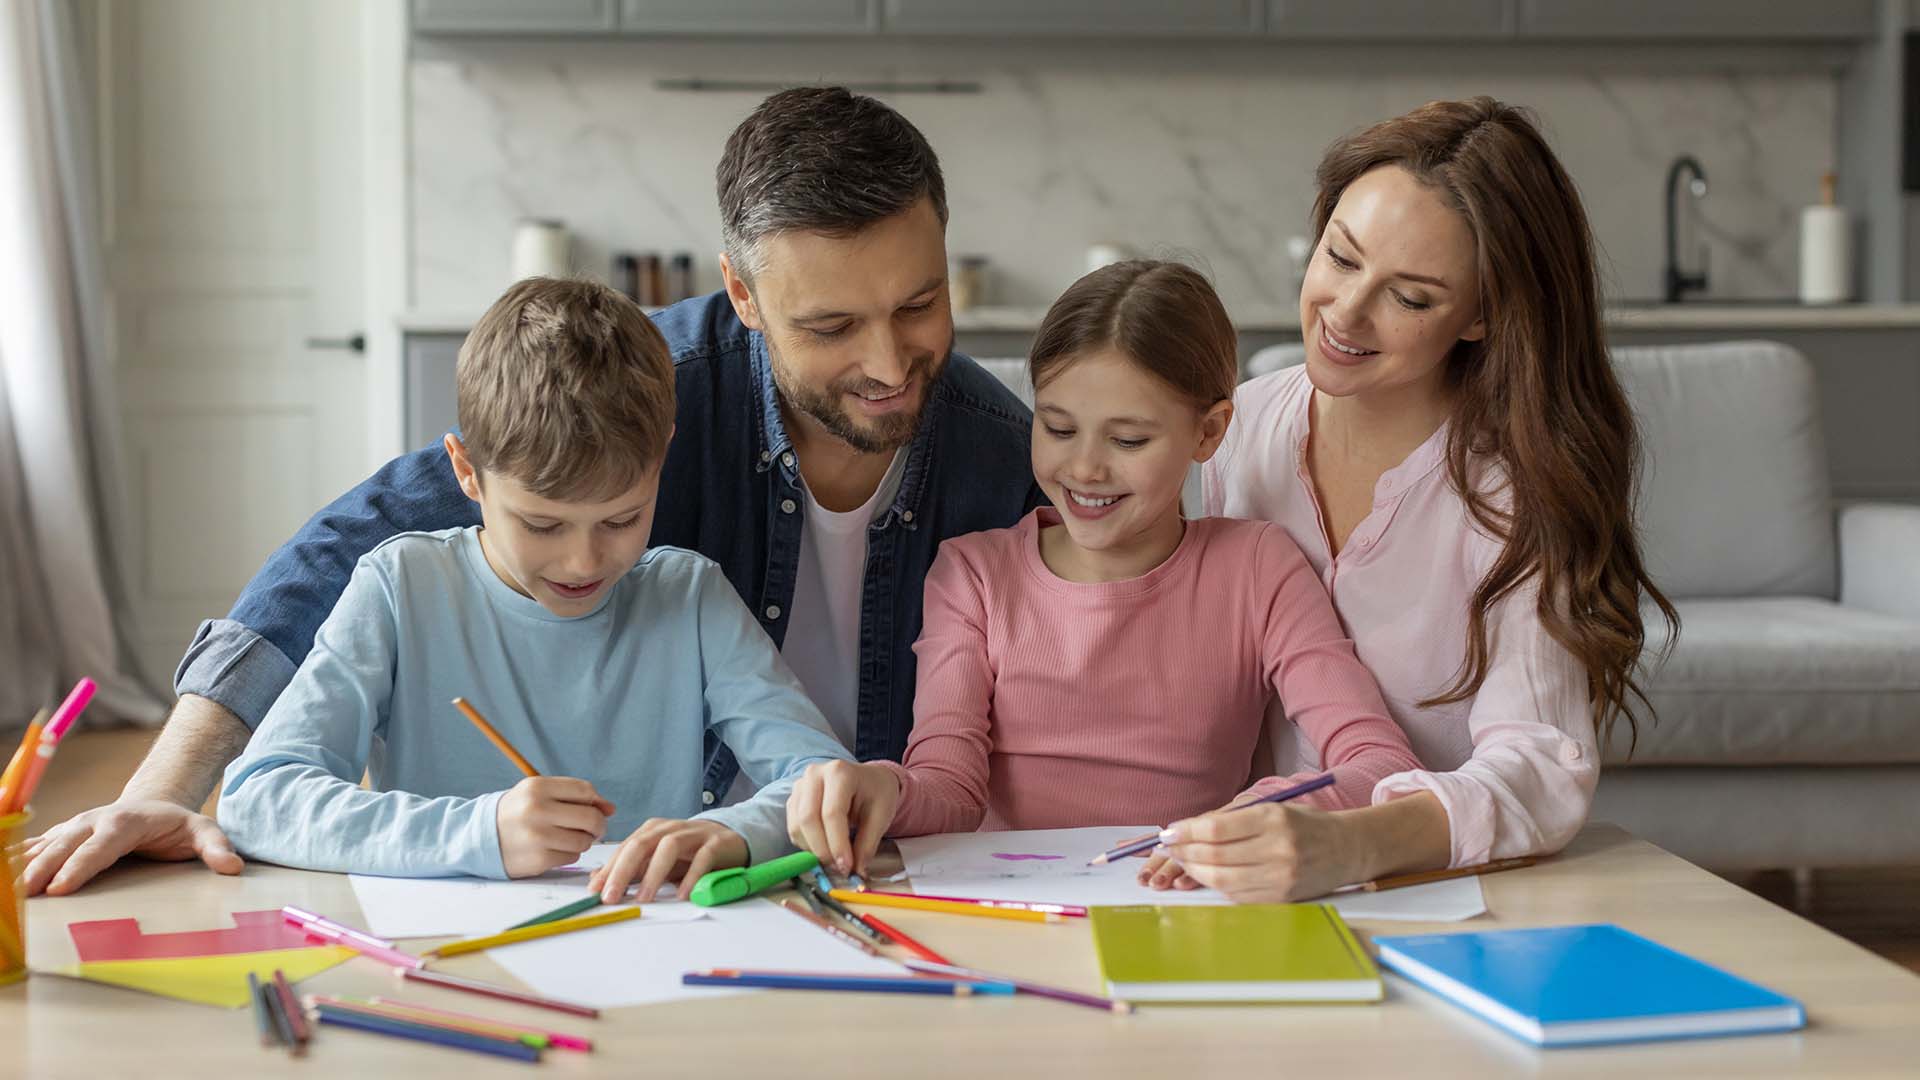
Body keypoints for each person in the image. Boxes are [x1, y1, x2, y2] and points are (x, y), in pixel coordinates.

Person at [22, 86, 1038, 896]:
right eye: (830, 328)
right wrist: (163, 792)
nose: (891, 361)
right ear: (743, 295)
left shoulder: (999, 454)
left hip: (835, 866)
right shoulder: (650, 391)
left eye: (920, 303)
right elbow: (343, 553)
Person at [1141, 98, 1679, 903]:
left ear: (1483, 317)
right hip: (1213, 882)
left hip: (1430, 894)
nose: (1346, 313)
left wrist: (1349, 846)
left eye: (1412, 297)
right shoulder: (1234, 429)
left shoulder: (1517, 488)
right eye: (1341, 257)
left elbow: (1538, 765)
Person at [217, 278, 853, 901]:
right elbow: (259, 800)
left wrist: (731, 833)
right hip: (450, 954)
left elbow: (819, 780)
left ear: (663, 455)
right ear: (467, 471)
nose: (584, 559)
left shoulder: (690, 598)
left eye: (621, 519)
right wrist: (477, 832)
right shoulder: (401, 588)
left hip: (651, 946)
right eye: (542, 524)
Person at [784, 260, 1425, 878]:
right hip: (1017, 904)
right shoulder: (973, 573)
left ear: (1208, 432)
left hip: (1182, 900)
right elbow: (950, 788)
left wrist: (1264, 814)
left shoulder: (1258, 567)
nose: (1085, 469)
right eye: (1059, 429)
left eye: (1127, 441)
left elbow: (1377, 761)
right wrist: (879, 788)